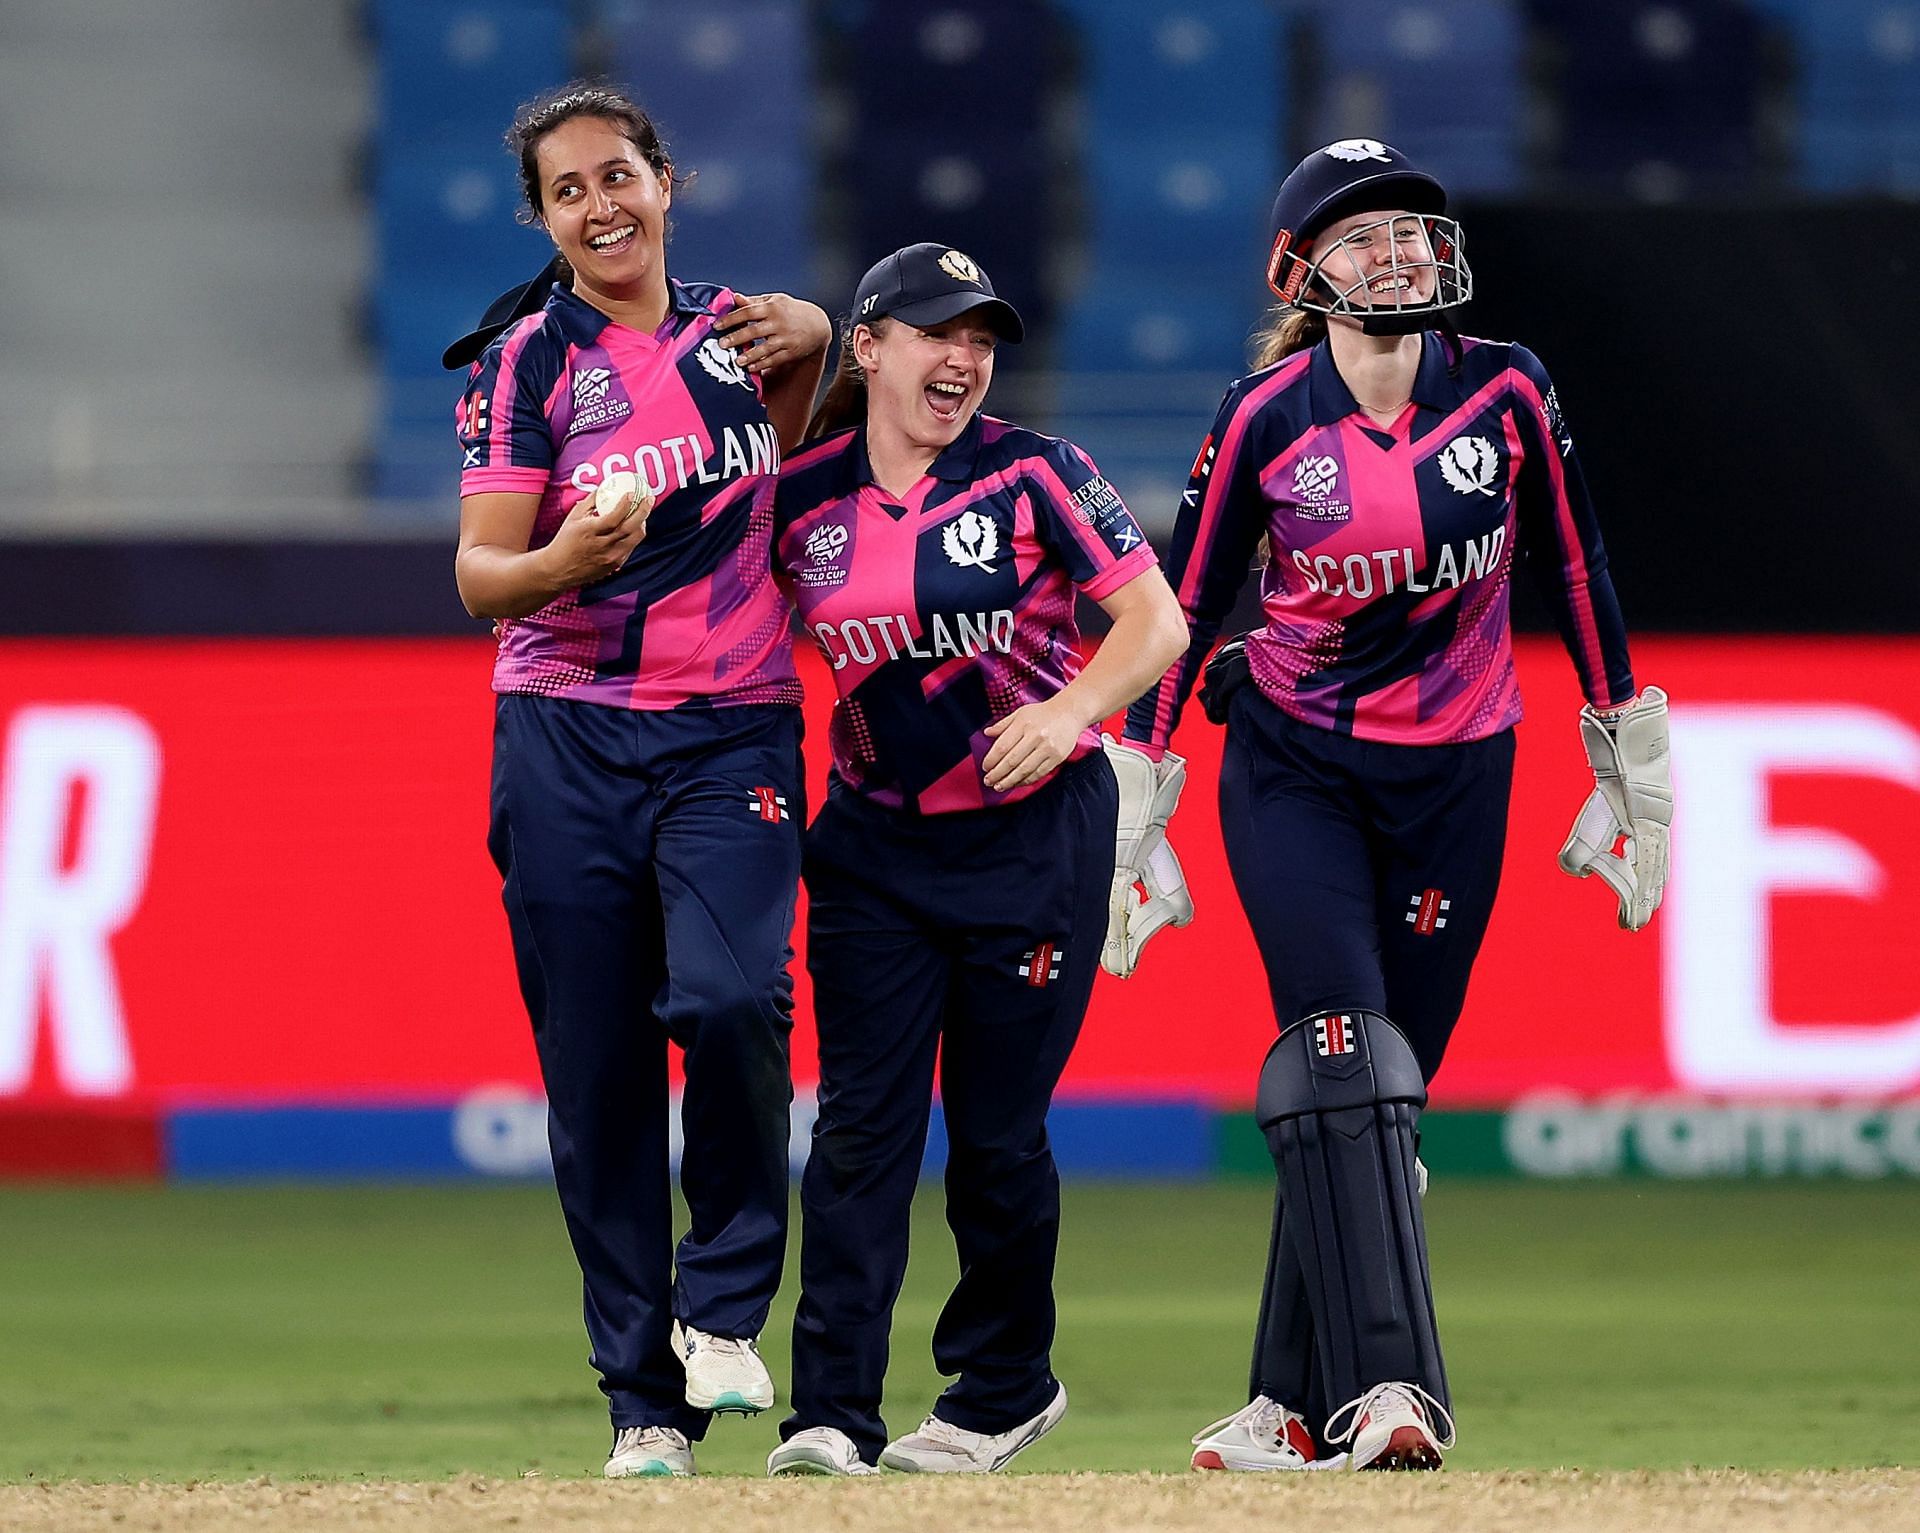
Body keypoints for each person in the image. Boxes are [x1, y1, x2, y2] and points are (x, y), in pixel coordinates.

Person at [1116, 140, 1672, 1472]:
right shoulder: (1266, 418)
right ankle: (1394, 1393)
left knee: (1378, 1103)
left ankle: (1283, 1402)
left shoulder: (1510, 389)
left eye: (1413, 229)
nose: (1399, 253)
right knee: (1342, 1051)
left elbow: (1576, 560)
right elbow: (1180, 610)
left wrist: (1626, 752)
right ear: (1304, 272)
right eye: (1362, 237)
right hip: (1296, 762)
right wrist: (1141, 792)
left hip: (1461, 772)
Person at [450, 82, 833, 1480]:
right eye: (570, 190)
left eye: (620, 175)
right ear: (542, 220)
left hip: (733, 723)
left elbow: (810, 453)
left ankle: (723, 1308)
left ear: (665, 182)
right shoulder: (527, 365)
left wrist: (827, 336)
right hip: (566, 734)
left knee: (735, 1000)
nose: (602, 205)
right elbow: (483, 571)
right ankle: (641, 1406)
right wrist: (563, 563)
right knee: (598, 1074)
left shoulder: (751, 331)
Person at [760, 243, 1189, 1476]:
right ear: (873, 347)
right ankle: (831, 1416)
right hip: (872, 850)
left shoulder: (1037, 472)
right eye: (939, 333)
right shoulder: (804, 498)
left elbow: (1158, 620)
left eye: (983, 338)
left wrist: (1070, 716)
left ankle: (1003, 1389)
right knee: (858, 1135)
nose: (964, 359)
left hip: (1029, 840)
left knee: (997, 1138)